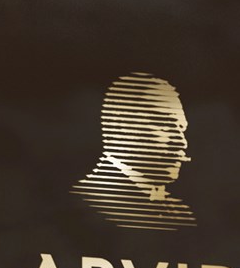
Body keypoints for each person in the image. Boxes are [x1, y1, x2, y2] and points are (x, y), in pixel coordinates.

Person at [74, 74, 194, 230]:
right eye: (164, 125)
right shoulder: (83, 205)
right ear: (119, 126)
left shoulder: (181, 214)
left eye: (181, 129)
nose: (181, 142)